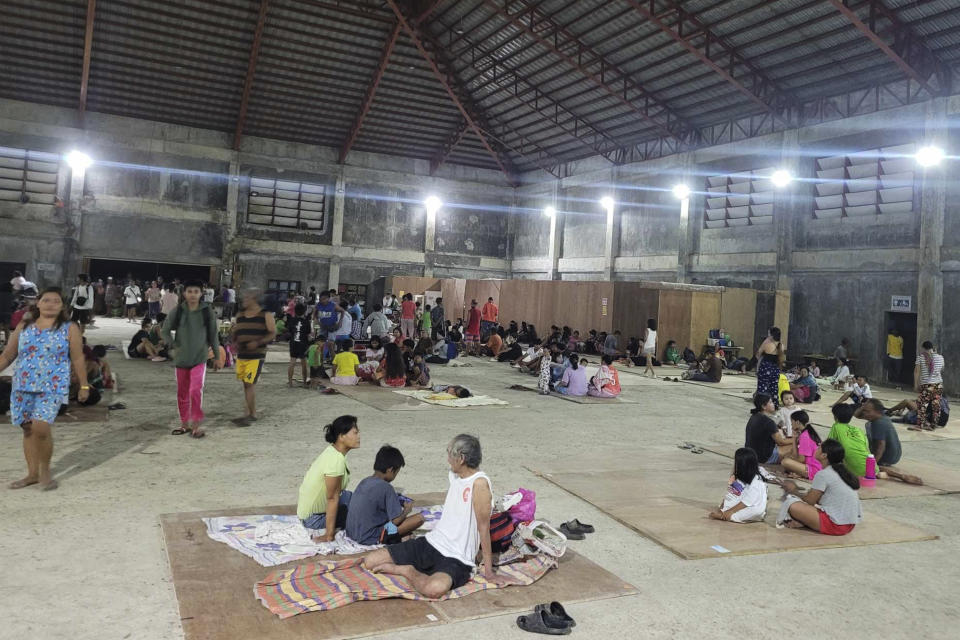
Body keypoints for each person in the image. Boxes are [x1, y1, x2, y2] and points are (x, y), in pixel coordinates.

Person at [362, 434, 508, 597]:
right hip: (433, 542)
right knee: (370, 561)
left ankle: (407, 571)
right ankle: (415, 570)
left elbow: (484, 527)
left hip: (456, 557)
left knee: (433, 589)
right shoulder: (455, 475)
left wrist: (489, 572)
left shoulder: (479, 484)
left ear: (461, 458)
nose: (447, 459)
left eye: (449, 453)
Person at [0, 288, 89, 490]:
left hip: (52, 386)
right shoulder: (24, 326)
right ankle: (32, 474)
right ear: (37, 303)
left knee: (41, 428)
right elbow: (7, 355)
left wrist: (84, 385)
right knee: (27, 428)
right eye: (46, 300)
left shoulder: (69, 328)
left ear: (62, 306)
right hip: (22, 384)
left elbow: (77, 357)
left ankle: (45, 471)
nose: (50, 304)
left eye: (56, 301)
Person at [161, 280, 222, 438]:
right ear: (184, 293)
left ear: (201, 293)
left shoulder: (206, 311)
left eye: (196, 291)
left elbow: (214, 335)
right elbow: (165, 331)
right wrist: (173, 345)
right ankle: (184, 424)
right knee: (182, 393)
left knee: (195, 390)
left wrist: (216, 356)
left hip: (199, 358)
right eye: (190, 291)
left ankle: (196, 426)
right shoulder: (178, 311)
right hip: (181, 360)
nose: (193, 294)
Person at [779, 439, 862, 535]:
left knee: (792, 504)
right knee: (801, 501)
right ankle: (806, 522)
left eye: (819, 448)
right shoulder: (841, 472)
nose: (816, 449)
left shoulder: (823, 474)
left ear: (824, 455)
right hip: (849, 525)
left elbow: (810, 501)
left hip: (836, 525)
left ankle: (806, 522)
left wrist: (793, 490)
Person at [345, 445, 424, 545]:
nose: (395, 476)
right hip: (370, 537)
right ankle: (393, 539)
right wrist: (406, 511)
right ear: (390, 470)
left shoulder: (365, 481)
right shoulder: (387, 488)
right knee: (419, 519)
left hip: (352, 533)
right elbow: (395, 521)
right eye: (396, 473)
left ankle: (400, 537)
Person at [298, 416, 360, 541]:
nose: (359, 436)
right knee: (366, 513)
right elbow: (332, 498)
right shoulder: (335, 461)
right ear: (341, 436)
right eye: (355, 432)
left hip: (312, 513)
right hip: (313, 520)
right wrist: (329, 535)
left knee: (361, 500)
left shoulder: (334, 452)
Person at [230, 288, 276, 426]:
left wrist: (258, 342)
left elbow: (272, 333)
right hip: (242, 354)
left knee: (249, 383)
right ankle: (248, 412)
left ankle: (252, 414)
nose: (244, 300)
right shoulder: (240, 315)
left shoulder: (265, 315)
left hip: (256, 355)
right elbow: (236, 332)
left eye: (246, 298)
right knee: (246, 384)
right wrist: (234, 339)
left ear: (254, 299)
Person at [859, 399, 923, 485]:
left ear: (877, 411)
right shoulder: (883, 417)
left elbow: (881, 446)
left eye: (867, 411)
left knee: (868, 428)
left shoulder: (878, 423)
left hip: (887, 458)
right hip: (896, 455)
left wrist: (873, 464)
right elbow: (857, 414)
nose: (864, 414)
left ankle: (877, 462)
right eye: (864, 411)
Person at [708, 448, 767, 523]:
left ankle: (724, 516)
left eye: (736, 462)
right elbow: (730, 492)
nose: (734, 464)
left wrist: (731, 511)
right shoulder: (738, 475)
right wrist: (723, 507)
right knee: (728, 506)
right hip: (742, 501)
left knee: (755, 512)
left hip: (752, 505)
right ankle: (725, 514)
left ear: (743, 465)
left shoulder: (757, 482)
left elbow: (748, 502)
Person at [744, 392, 794, 464]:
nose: (773, 404)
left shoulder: (754, 416)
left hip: (751, 454)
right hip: (763, 457)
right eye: (770, 402)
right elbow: (781, 442)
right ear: (764, 406)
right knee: (794, 447)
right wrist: (796, 439)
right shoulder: (768, 422)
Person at [826, 403, 870, 477]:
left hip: (855, 471)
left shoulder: (836, 427)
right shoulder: (858, 430)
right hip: (872, 468)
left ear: (835, 417)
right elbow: (866, 447)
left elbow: (828, 445)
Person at [780, 410, 823, 480]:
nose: (791, 424)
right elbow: (795, 454)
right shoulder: (807, 432)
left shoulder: (804, 436)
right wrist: (794, 439)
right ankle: (798, 473)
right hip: (815, 466)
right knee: (788, 456)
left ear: (797, 422)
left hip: (814, 469)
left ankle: (800, 474)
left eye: (792, 422)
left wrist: (791, 459)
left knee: (785, 462)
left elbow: (801, 459)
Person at [913, 340, 945, 431]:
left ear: (923, 348)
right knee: (936, 404)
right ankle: (933, 425)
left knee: (921, 403)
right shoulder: (940, 357)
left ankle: (919, 425)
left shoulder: (921, 357)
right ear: (932, 347)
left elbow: (916, 371)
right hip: (938, 384)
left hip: (927, 384)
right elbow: (941, 369)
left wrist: (916, 384)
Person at [756, 327, 784, 406]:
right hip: (776, 368)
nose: (768, 335)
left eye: (769, 333)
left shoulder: (767, 342)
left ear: (771, 335)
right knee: (774, 387)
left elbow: (758, 353)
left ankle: (762, 404)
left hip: (766, 367)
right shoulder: (781, 345)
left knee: (763, 386)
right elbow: (781, 359)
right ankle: (774, 404)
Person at [287, 303, 311, 388]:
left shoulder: (291, 320)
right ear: (304, 311)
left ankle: (290, 383)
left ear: (295, 311)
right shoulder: (306, 321)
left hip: (293, 343)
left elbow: (289, 331)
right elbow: (308, 334)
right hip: (303, 344)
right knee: (304, 364)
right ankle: (304, 383)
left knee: (292, 362)